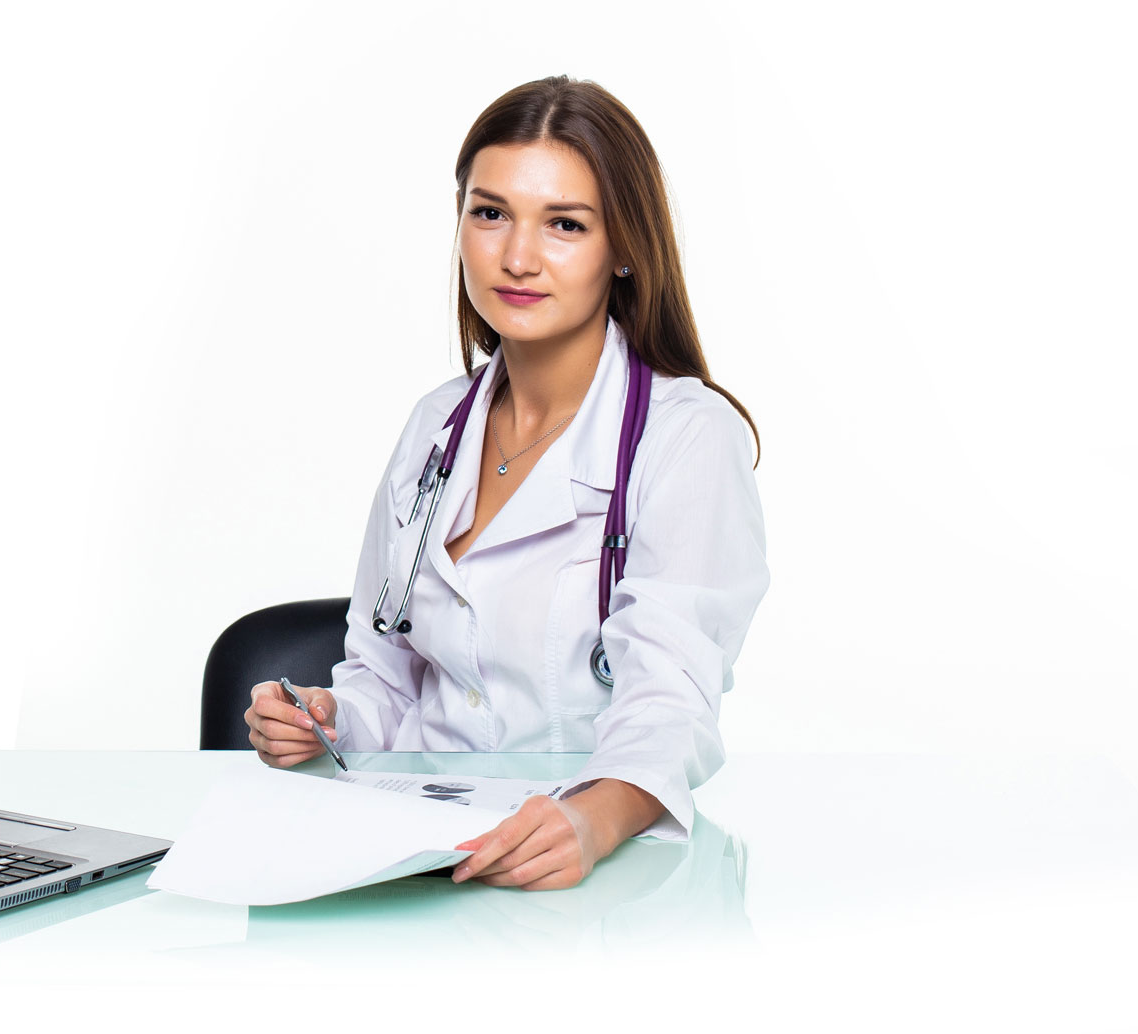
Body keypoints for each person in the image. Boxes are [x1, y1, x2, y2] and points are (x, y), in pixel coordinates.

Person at [242, 75, 770, 891]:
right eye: (490, 214)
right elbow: (387, 674)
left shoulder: (685, 437)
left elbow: (671, 703)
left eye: (565, 224)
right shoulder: (435, 425)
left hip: (587, 875)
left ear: (623, 248)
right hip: (414, 852)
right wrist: (328, 719)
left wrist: (591, 820)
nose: (517, 257)